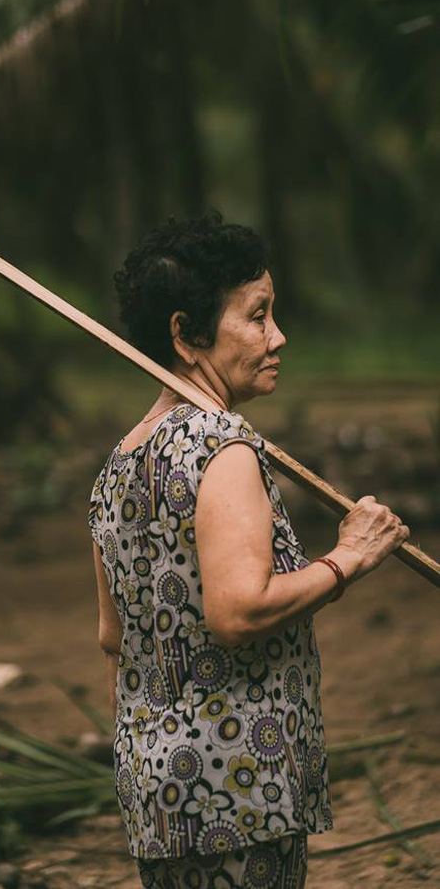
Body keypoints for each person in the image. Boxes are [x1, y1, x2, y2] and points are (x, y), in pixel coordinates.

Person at [87, 212, 410, 889]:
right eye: (257, 316)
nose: (277, 337)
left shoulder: (118, 464)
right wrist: (348, 557)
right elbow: (238, 611)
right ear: (185, 334)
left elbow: (112, 637)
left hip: (159, 793)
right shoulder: (221, 448)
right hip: (238, 789)